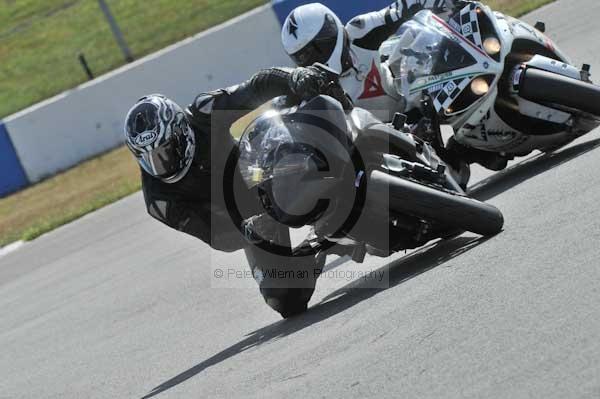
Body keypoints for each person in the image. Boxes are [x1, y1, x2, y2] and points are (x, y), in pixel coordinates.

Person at [124, 67, 337, 318]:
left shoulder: (204, 111)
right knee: (285, 299)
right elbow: (216, 237)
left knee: (280, 122)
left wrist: (293, 77)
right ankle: (319, 244)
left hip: (262, 170)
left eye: (165, 152)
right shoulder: (159, 201)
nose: (161, 165)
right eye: (149, 159)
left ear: (181, 131)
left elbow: (256, 87)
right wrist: (250, 230)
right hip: (249, 219)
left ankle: (347, 160)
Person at [281, 1, 455, 119]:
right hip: (386, 143)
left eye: (314, 50)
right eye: (302, 57)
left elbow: (402, 8)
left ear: (330, 33)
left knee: (419, 40)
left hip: (411, 96)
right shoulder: (313, 88)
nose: (311, 61)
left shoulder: (358, 31)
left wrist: (448, 3)